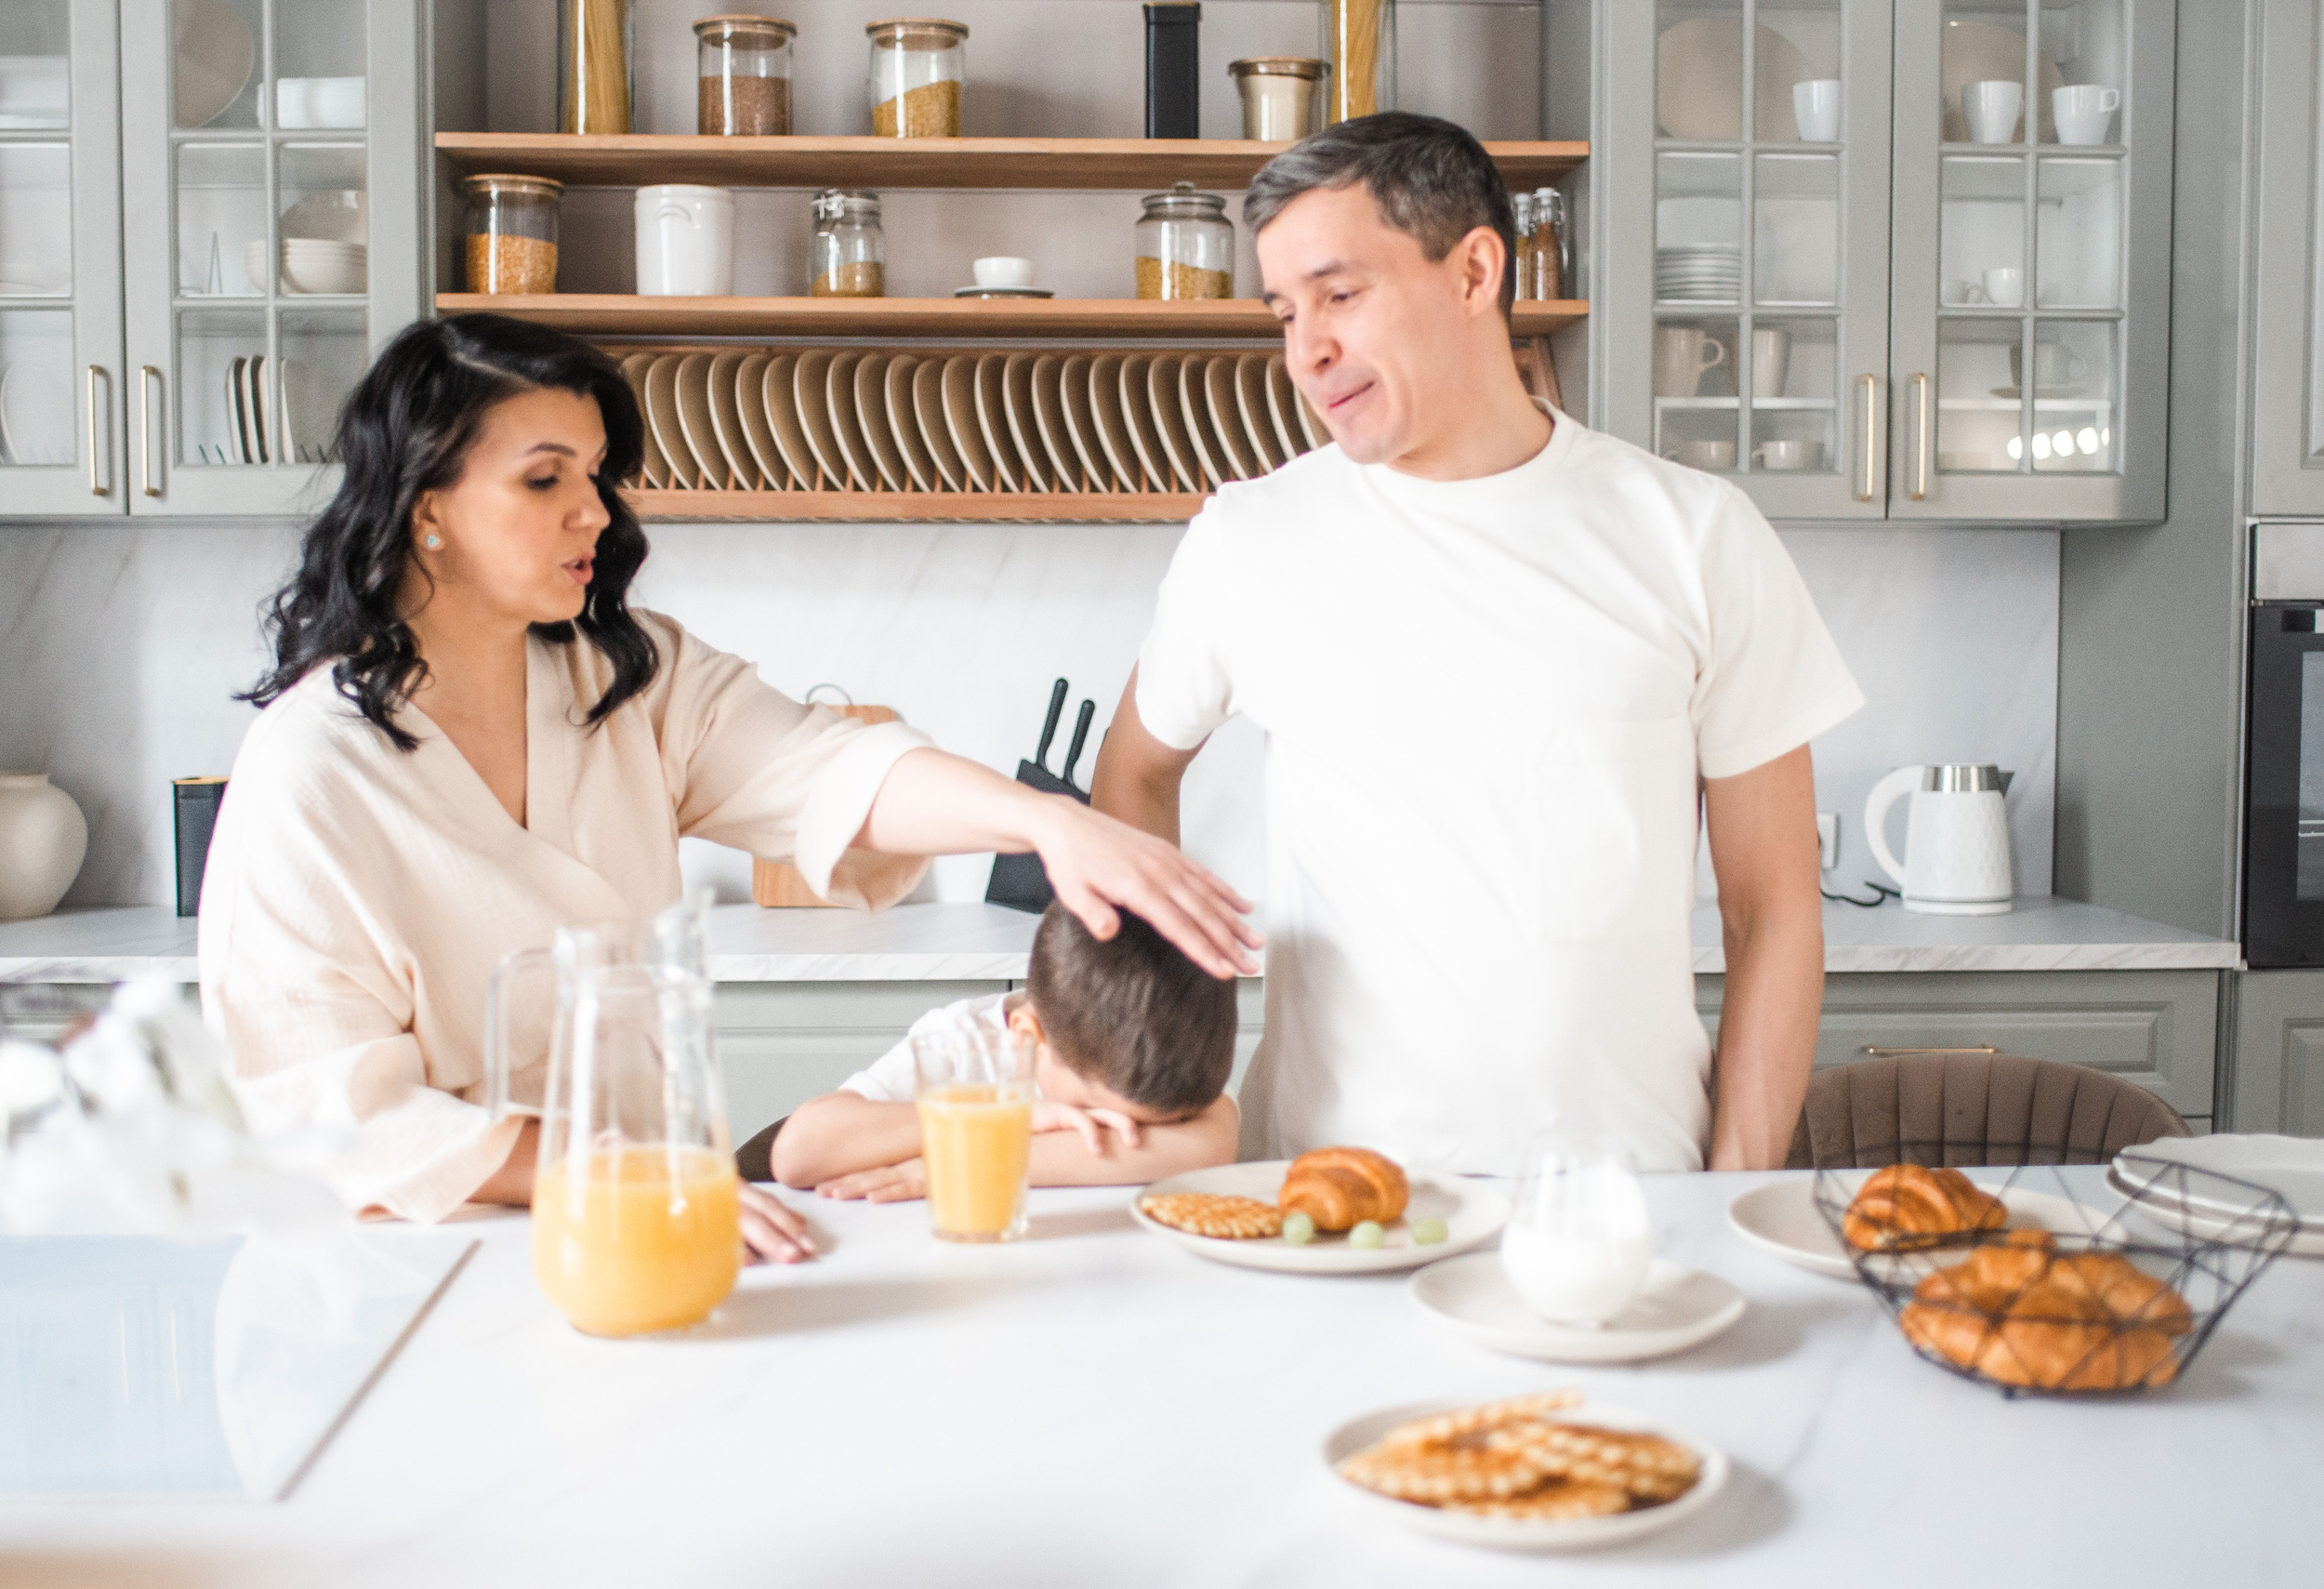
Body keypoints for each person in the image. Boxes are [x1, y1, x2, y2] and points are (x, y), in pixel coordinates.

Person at [199, 314, 1257, 1259]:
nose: (594, 513)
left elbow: (825, 767)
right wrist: (616, 1171)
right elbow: (322, 1112)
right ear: (426, 506)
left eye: (596, 476)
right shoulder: (313, 772)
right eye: (545, 480)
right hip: (437, 1255)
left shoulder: (623, 680)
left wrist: (1047, 822)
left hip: (663, 1222)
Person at [1089, 113, 1864, 1175]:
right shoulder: (1249, 539)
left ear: (1474, 273)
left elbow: (1772, 909)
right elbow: (1134, 771)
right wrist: (1160, 1058)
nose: (1305, 352)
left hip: (1625, 1198)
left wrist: (1730, 1194)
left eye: (1339, 295)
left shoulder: (1694, 535)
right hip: (1330, 1198)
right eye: (1285, 313)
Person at [771, 902, 1240, 1199]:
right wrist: (1005, 1118)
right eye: (1099, 1116)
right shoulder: (960, 1044)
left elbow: (1209, 1147)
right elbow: (798, 1153)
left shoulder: (1176, 1044)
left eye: (1147, 1128)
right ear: (1028, 1038)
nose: (1112, 1130)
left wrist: (965, 1162)